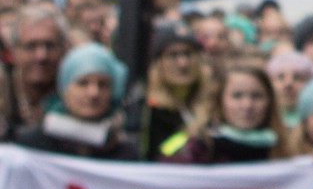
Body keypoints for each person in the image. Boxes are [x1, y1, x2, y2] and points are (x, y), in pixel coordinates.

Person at [14, 44, 131, 158]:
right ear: (64, 89)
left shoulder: (125, 155)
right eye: (83, 83)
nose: (93, 93)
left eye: (102, 84)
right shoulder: (30, 146)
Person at [177, 60, 284, 163]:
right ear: (219, 100)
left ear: (270, 101)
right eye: (237, 96)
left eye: (256, 96)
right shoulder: (198, 149)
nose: (247, 105)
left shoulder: (286, 147)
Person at [142, 25, 210, 158]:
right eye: (173, 55)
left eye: (188, 53)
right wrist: (188, 135)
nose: (183, 63)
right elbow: (157, 151)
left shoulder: (213, 101)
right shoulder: (150, 109)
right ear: (158, 62)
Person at [4, 5, 68, 134]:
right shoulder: (3, 91)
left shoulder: (76, 92)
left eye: (49, 45)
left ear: (63, 48)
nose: (41, 56)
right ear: (14, 50)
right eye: (31, 46)